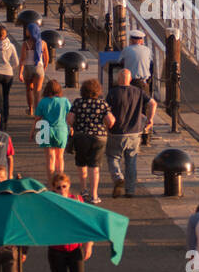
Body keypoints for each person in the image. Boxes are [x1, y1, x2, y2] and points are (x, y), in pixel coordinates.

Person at [47, 172, 93, 272]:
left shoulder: (76, 200)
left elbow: (87, 222)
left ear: (69, 186)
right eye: (58, 188)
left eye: (64, 187)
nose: (61, 190)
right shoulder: (50, 203)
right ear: (53, 188)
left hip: (75, 249)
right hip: (56, 250)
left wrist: (89, 244)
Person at [106, 67, 155, 198]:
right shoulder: (139, 92)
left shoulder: (112, 93)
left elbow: (106, 111)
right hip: (134, 132)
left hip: (116, 131)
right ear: (130, 79)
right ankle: (130, 190)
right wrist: (150, 119)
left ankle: (118, 177)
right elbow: (152, 103)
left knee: (113, 157)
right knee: (131, 161)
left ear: (118, 79)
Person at [66, 79, 114, 205]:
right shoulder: (102, 104)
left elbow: (69, 120)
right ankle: (94, 195)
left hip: (81, 136)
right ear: (98, 90)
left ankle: (83, 190)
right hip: (98, 137)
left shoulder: (78, 103)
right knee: (94, 166)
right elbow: (110, 121)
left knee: (81, 164)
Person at [34, 78, 71, 184]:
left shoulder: (43, 102)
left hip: (45, 129)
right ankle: (60, 182)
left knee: (50, 159)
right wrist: (72, 127)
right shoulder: (64, 101)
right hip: (61, 130)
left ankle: (51, 183)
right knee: (60, 158)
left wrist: (33, 131)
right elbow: (70, 116)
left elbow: (37, 118)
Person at [18, 22, 49, 115]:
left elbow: (22, 59)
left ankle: (30, 109)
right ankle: (38, 112)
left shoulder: (26, 44)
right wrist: (44, 68)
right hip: (39, 67)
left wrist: (20, 72)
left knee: (28, 89)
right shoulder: (43, 43)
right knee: (37, 91)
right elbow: (47, 58)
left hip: (28, 67)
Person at [120, 28, 152, 92]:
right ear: (141, 40)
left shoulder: (126, 50)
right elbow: (150, 63)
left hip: (131, 82)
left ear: (131, 40)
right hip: (143, 83)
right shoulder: (148, 50)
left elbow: (120, 62)